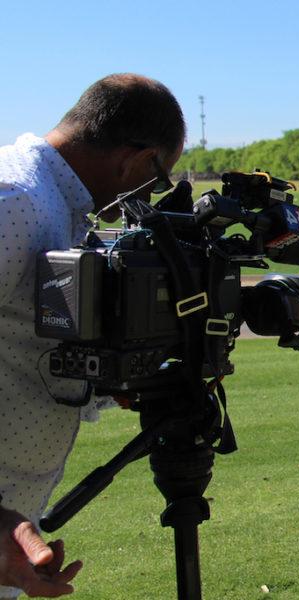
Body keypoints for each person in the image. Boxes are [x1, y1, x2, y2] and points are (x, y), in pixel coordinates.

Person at [0, 74, 185, 598]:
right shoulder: (17, 203)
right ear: (135, 159)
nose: (153, 193)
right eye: (159, 176)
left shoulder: (49, 202)